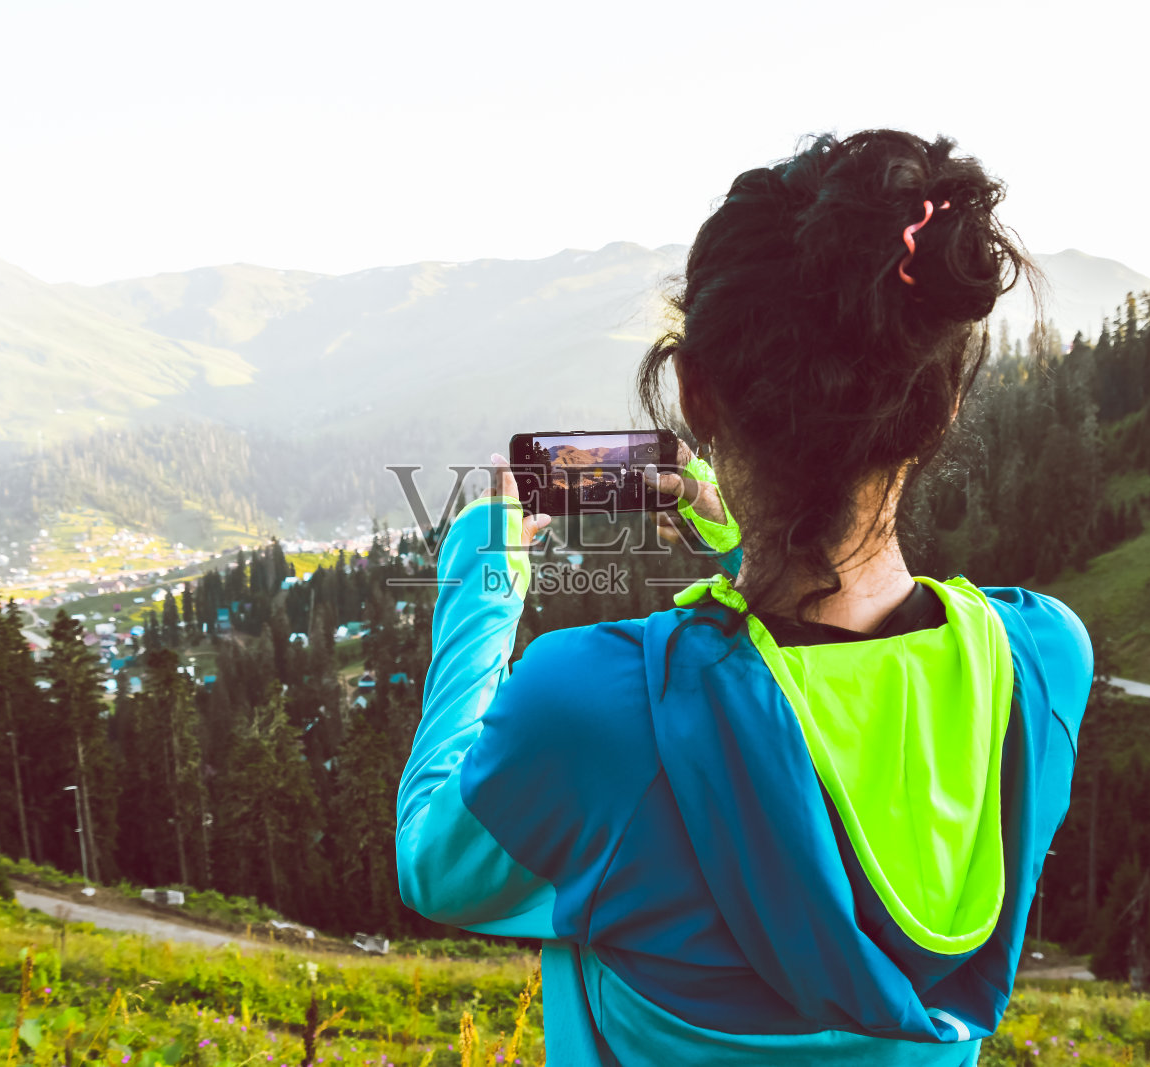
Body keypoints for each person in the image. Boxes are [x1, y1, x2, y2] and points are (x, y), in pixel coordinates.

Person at [395, 129, 1091, 1065]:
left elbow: (431, 863)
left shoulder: (601, 712)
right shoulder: (1041, 662)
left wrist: (481, 569)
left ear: (695, 392)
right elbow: (809, 691)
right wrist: (738, 530)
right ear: (944, 403)